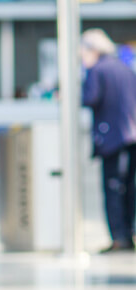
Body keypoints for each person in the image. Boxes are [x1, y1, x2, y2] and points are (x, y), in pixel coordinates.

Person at [80, 28, 136, 253]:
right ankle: (130, 234)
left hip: (112, 138)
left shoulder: (97, 70)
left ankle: (118, 238)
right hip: (132, 136)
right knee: (130, 187)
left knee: (113, 187)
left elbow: (90, 97)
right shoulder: (125, 67)